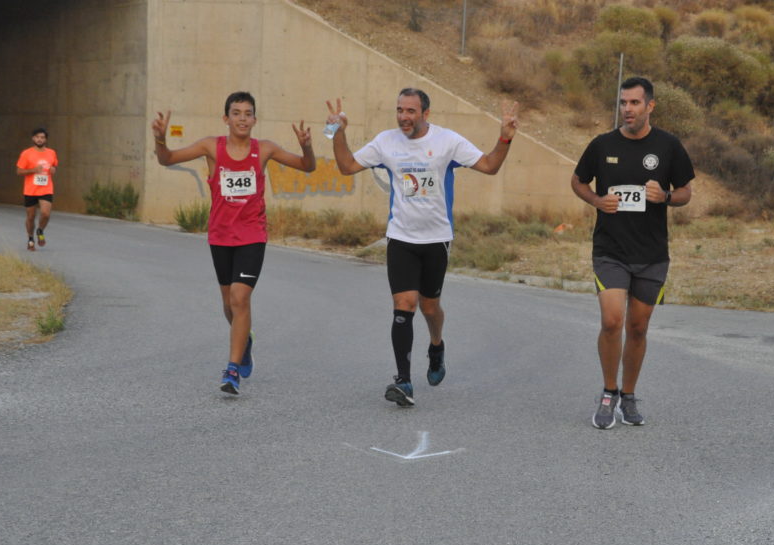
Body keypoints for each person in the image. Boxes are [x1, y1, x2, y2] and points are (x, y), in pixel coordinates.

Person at [325, 88, 518, 407]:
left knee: (430, 308)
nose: (403, 117)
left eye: (410, 111)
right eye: (399, 110)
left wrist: (505, 138)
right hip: (401, 237)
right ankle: (403, 381)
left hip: (437, 239)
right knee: (404, 306)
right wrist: (337, 132)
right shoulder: (385, 142)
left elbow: (489, 165)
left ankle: (436, 345)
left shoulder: (447, 141)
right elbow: (346, 166)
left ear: (425, 114)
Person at [151, 91, 316, 395]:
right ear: (226, 118)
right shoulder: (211, 147)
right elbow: (167, 159)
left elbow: (307, 166)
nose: (242, 118)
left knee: (240, 299)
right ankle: (245, 340)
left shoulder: (264, 149)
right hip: (220, 236)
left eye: (248, 113)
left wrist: (307, 147)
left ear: (255, 119)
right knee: (229, 305)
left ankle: (232, 370)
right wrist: (161, 140)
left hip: (252, 235)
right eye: (236, 113)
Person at [571, 76, 695, 429]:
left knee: (638, 328)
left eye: (634, 103)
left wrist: (665, 196)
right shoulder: (602, 145)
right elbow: (578, 181)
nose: (627, 109)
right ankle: (608, 392)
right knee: (612, 321)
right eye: (623, 103)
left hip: (652, 254)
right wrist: (597, 201)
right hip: (610, 249)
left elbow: (685, 192)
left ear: (650, 106)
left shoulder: (668, 146)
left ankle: (628, 395)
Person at [16, 128, 58, 251]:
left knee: (45, 214)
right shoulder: (26, 153)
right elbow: (19, 171)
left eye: (42, 137)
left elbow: (54, 165)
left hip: (46, 188)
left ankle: (40, 230)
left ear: (46, 139)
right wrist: (33, 170)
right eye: (37, 137)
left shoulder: (51, 153)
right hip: (30, 190)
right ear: (33, 138)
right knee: (31, 217)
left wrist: (54, 169)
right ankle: (30, 238)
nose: (40, 139)